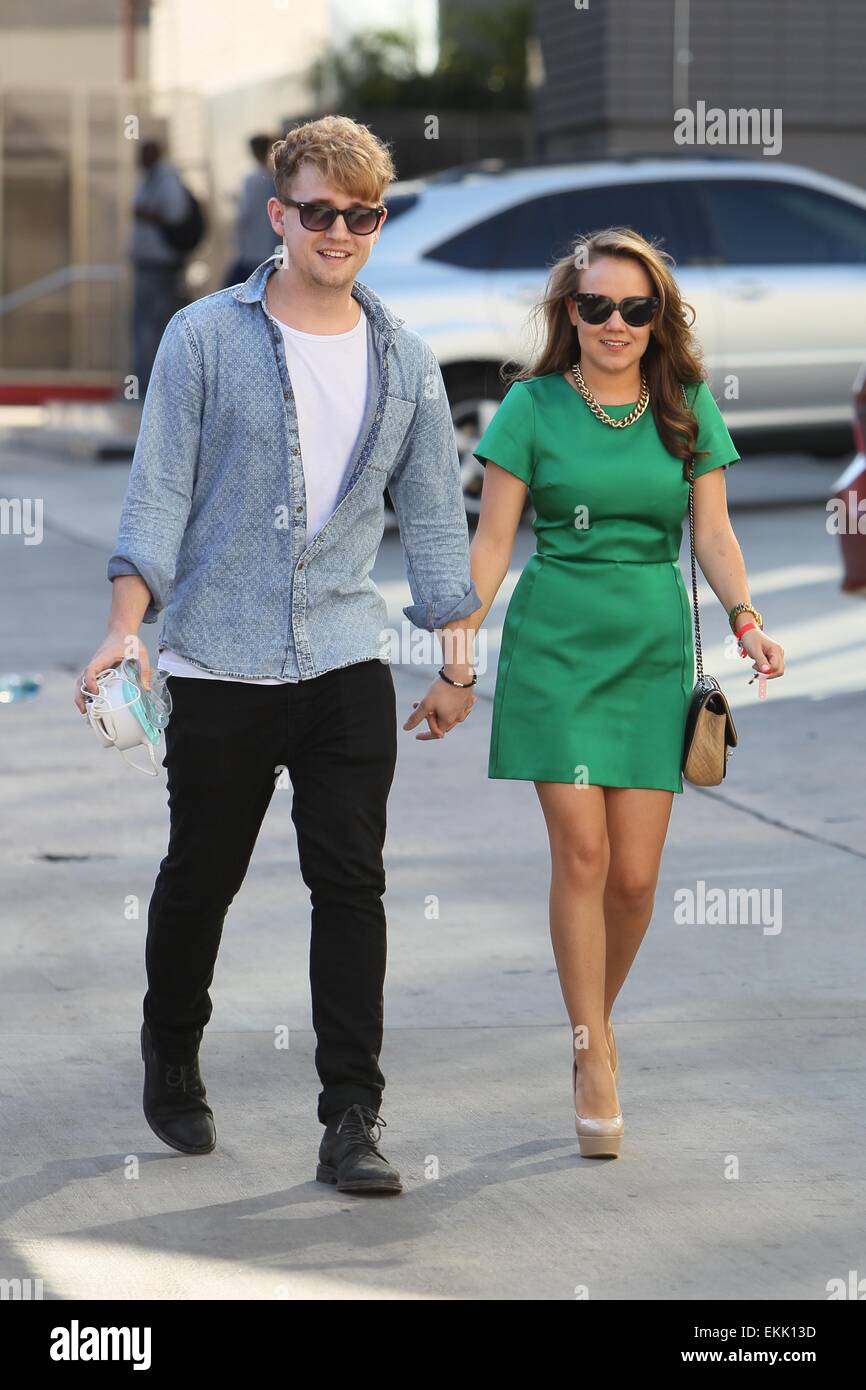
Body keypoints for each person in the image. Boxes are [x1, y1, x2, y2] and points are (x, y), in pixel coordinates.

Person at [76, 115, 482, 1195]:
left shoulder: (404, 359)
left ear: (375, 222)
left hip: (347, 656)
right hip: (218, 657)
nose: (337, 231)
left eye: (359, 215)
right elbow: (155, 494)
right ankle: (172, 1048)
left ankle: (351, 1114)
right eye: (317, 213)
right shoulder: (204, 336)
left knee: (349, 884)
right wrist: (128, 627)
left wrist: (454, 660)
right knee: (199, 877)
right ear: (279, 215)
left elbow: (437, 519)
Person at [425, 226, 785, 1158]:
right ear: (568, 313)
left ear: (659, 316)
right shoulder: (532, 407)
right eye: (595, 307)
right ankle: (592, 1055)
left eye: (636, 308)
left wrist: (747, 620)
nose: (615, 323)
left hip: (651, 652)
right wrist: (458, 665)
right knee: (581, 856)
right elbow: (492, 549)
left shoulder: (686, 405)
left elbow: (712, 534)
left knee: (634, 876)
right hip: (556, 651)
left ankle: (598, 1019)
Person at [128, 138, 189, 396]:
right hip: (148, 264)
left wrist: (147, 214)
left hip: (160, 266)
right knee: (144, 323)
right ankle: (144, 383)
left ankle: (154, 387)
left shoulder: (166, 180)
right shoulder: (150, 179)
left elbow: (176, 214)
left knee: (154, 324)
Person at [223, 133, 281, 287]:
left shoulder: (253, 178)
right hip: (274, 247)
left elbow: (244, 214)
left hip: (253, 251)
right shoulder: (276, 177)